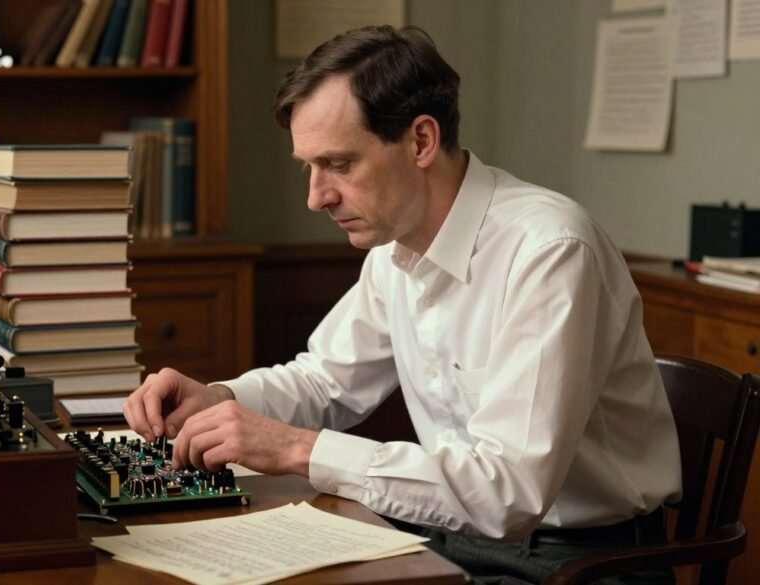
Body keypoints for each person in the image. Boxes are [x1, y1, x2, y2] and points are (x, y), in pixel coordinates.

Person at [124, 25, 680, 584]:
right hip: (456, 539)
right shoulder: (397, 247)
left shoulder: (550, 251)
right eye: (308, 167)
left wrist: (298, 449)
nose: (316, 197)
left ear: (420, 141)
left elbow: (508, 491)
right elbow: (325, 381)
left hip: (579, 563)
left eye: (339, 165)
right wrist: (218, 399)